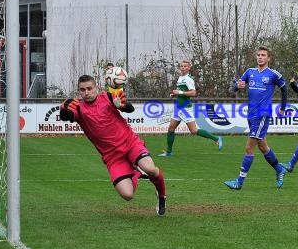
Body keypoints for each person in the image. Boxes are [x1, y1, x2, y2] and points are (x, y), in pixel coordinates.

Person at [59, 75, 167, 215]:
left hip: (130, 144)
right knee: (127, 195)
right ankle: (136, 173)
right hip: (112, 157)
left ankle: (162, 195)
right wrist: (63, 109)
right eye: (82, 89)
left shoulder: (108, 97)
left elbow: (130, 108)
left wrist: (121, 106)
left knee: (150, 168)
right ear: (79, 91)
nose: (86, 92)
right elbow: (66, 116)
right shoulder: (79, 109)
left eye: (89, 88)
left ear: (96, 87)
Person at [224, 46, 289, 190]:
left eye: (263, 55)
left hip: (262, 115)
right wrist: (236, 86)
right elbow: (233, 88)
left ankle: (239, 182)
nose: (260, 57)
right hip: (251, 114)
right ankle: (279, 169)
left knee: (249, 148)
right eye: (258, 55)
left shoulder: (273, 74)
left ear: (268, 58)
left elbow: (285, 89)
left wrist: (283, 107)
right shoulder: (249, 72)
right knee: (263, 146)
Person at [159, 60, 223, 156]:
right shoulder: (180, 78)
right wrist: (174, 94)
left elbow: (193, 93)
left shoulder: (189, 79)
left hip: (185, 108)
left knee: (193, 131)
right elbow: (181, 91)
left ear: (189, 68)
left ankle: (216, 138)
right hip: (178, 108)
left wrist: (179, 93)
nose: (183, 67)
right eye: (181, 66)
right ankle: (169, 152)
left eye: (185, 66)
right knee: (171, 128)